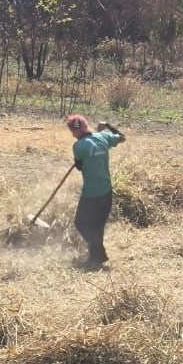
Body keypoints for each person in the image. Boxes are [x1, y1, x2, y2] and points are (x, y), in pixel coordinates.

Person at [66, 114, 126, 269]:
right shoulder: (104, 137)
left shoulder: (78, 147)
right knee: (97, 226)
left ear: (74, 131)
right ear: (86, 126)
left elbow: (79, 167)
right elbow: (121, 137)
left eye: (72, 131)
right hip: (107, 191)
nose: (73, 134)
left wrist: (81, 158)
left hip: (91, 194)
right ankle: (95, 258)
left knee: (81, 223)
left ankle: (99, 254)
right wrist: (107, 125)